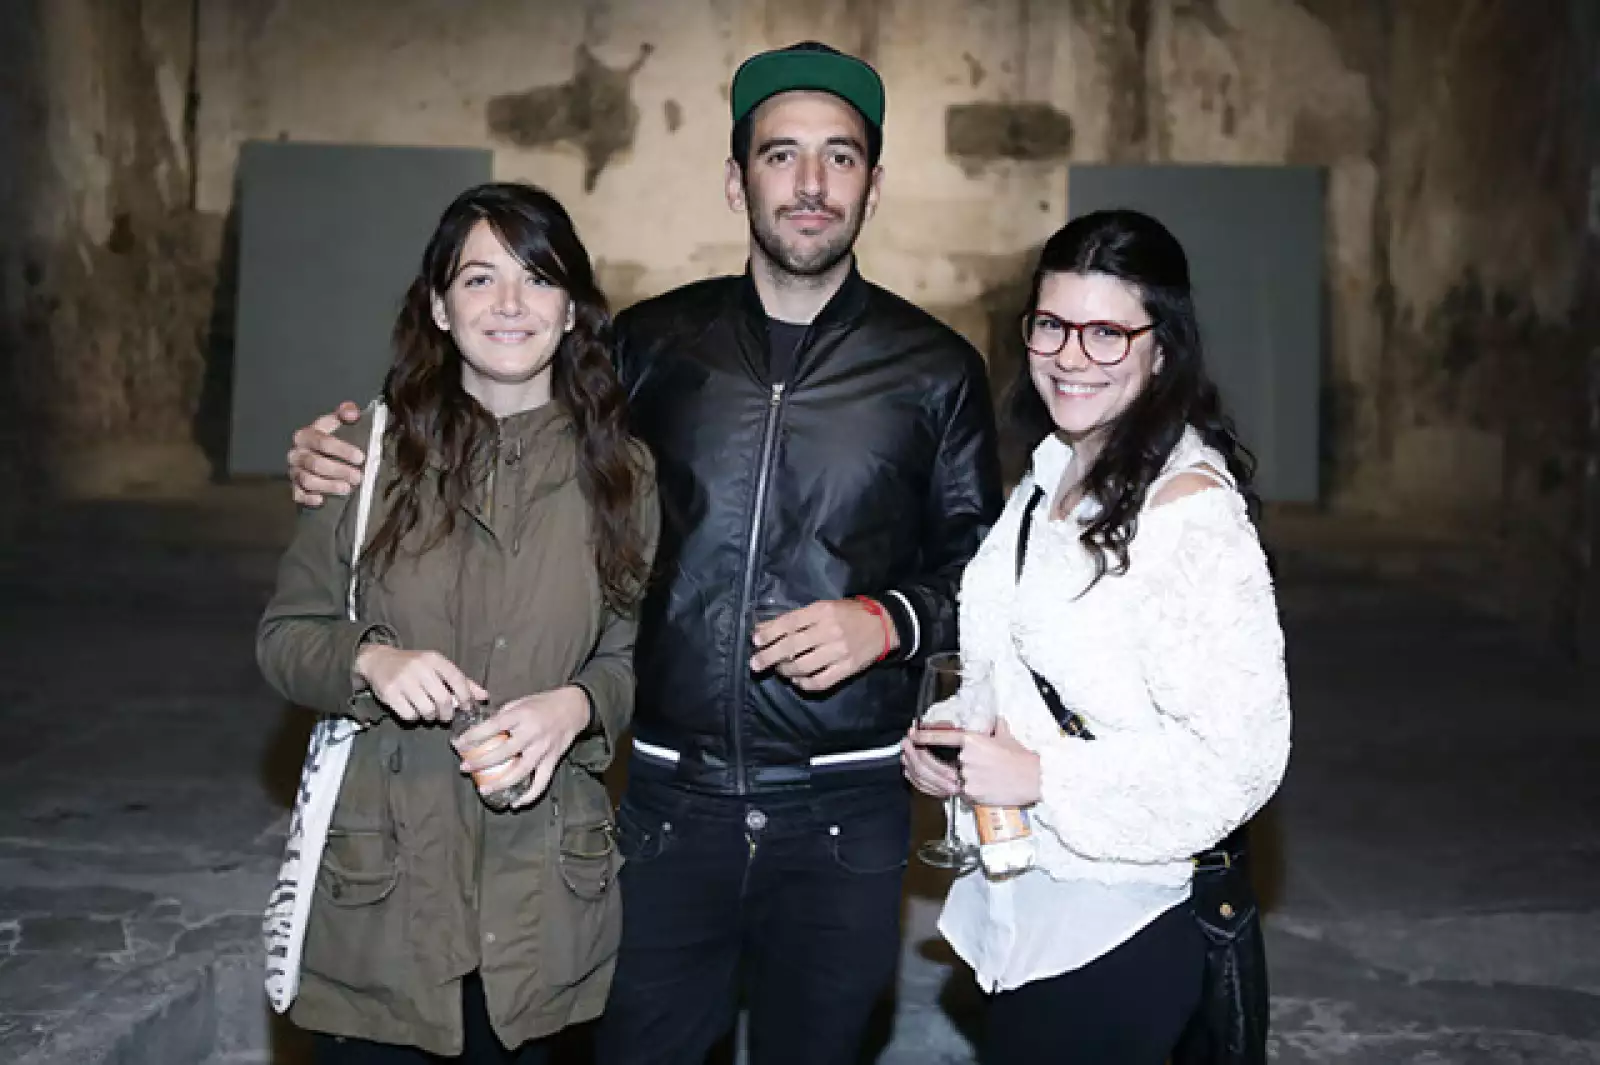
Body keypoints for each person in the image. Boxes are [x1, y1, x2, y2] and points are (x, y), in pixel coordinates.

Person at [285, 42, 1001, 1065]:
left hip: (845, 809)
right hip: (667, 803)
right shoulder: (653, 345)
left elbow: (988, 578)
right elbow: (503, 428)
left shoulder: (935, 369)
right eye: (779, 155)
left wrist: (887, 619)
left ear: (873, 184)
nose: (809, 183)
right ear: (734, 178)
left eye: (839, 158)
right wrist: (343, 449)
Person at [257, 182, 659, 1064]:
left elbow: (627, 659)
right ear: (439, 307)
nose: (509, 305)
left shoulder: (622, 474)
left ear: (571, 311)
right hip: (387, 899)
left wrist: (578, 708)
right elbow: (286, 636)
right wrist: (372, 660)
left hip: (544, 899)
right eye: (479, 280)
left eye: (537, 278)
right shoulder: (362, 455)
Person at [901, 208, 1292, 1065]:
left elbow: (1242, 758)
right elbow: (1011, 656)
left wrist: (1040, 774)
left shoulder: (1189, 513)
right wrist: (954, 745)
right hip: (1030, 909)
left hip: (1124, 926)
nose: (1071, 355)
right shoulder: (1049, 476)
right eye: (1052, 325)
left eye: (1108, 332)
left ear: (1164, 347)